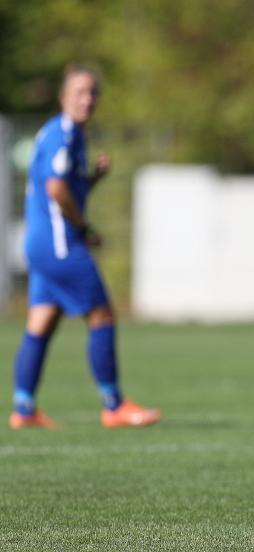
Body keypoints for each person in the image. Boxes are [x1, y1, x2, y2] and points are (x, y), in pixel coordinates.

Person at [9, 64, 160, 430]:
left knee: (41, 322)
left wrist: (92, 179)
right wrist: (84, 228)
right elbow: (56, 190)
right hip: (61, 245)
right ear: (63, 97)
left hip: (41, 243)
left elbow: (65, 189)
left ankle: (24, 408)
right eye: (79, 92)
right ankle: (113, 405)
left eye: (93, 92)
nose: (87, 99)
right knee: (102, 316)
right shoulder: (63, 136)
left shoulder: (62, 134)